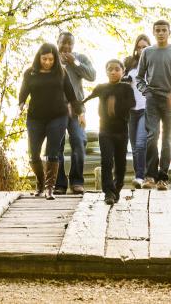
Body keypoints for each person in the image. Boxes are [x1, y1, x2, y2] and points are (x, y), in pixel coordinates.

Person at [18, 42, 82, 200]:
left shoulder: (61, 72)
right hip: (35, 118)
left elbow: (71, 95)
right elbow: (23, 92)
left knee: (53, 152)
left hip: (58, 117)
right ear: (39, 57)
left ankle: (49, 189)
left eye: (51, 60)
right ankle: (40, 183)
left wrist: (79, 113)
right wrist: (20, 105)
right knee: (34, 154)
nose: (47, 62)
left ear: (55, 60)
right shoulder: (30, 73)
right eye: (44, 59)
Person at [136, 19, 171, 190]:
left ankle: (163, 178)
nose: (161, 33)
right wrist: (146, 91)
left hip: (170, 99)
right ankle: (149, 176)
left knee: (167, 140)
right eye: (157, 30)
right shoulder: (147, 52)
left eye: (164, 30)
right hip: (152, 99)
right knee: (152, 136)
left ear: (169, 32)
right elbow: (139, 77)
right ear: (154, 32)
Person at [83, 59, 135, 205]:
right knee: (106, 161)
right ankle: (108, 192)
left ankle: (117, 188)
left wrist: (116, 106)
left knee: (120, 163)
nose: (113, 72)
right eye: (110, 69)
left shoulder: (126, 88)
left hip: (122, 132)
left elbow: (132, 104)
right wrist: (76, 107)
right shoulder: (101, 87)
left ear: (123, 71)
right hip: (105, 131)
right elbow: (86, 99)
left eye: (117, 69)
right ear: (106, 71)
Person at [54, 31, 95, 195]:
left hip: (76, 109)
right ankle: (59, 184)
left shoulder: (80, 59)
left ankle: (77, 181)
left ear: (73, 45)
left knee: (79, 140)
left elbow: (92, 76)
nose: (66, 46)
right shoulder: (50, 58)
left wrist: (75, 63)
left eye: (70, 43)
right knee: (56, 146)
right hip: (55, 109)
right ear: (57, 42)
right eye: (63, 42)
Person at [123, 34, 150, 188]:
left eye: (144, 47)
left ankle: (141, 176)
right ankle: (139, 176)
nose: (141, 50)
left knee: (141, 144)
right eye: (139, 47)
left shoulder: (152, 63)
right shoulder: (129, 63)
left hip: (146, 108)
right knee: (133, 147)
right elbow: (121, 77)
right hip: (131, 110)